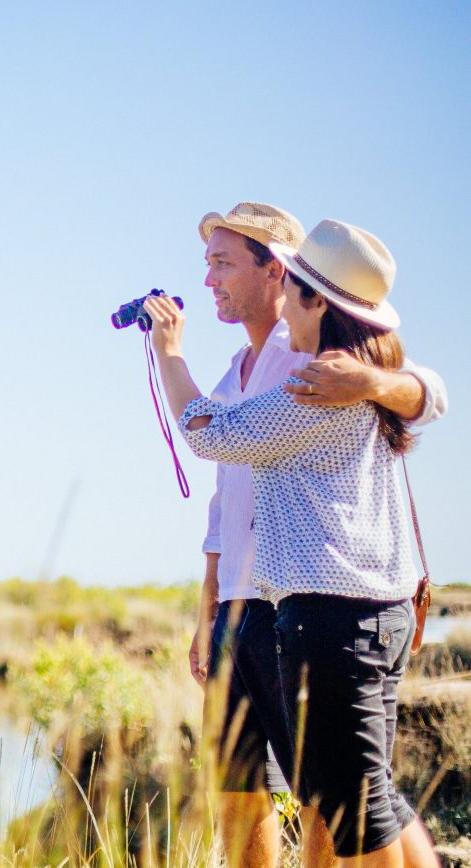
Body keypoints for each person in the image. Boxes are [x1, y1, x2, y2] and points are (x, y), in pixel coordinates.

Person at [146, 220, 441, 867]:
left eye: (222, 262)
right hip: (332, 609)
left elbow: (209, 434)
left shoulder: (311, 380)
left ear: (304, 295)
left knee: (349, 811)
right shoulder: (352, 370)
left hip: (330, 612)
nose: (209, 278)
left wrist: (169, 355)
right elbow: (225, 499)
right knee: (363, 799)